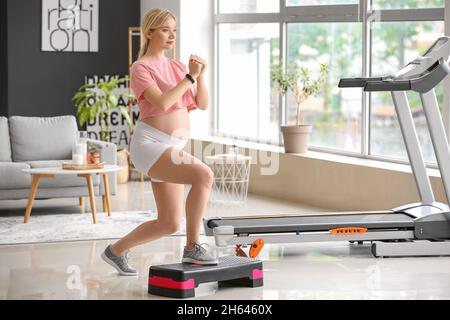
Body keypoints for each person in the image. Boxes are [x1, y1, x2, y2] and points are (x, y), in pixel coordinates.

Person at [101, 8, 218, 276]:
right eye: (165, 29)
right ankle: (192, 247)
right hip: (150, 144)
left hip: (172, 147)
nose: (171, 35)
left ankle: (115, 251)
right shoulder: (140, 67)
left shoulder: (177, 66)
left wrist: (201, 75)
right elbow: (163, 102)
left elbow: (201, 103)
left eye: (174, 30)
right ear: (149, 32)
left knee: (168, 222)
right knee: (204, 175)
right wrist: (189, 77)